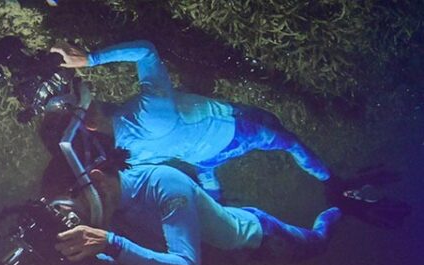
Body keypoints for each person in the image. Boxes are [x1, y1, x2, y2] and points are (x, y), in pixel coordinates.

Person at [48, 39, 410, 228]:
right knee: (285, 138)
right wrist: (90, 59)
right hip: (234, 129)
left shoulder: (126, 150)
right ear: (93, 120)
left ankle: (228, 230)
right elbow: (146, 49)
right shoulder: (148, 112)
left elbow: (125, 176)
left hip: (206, 158)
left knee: (218, 198)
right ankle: (335, 184)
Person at [52, 158, 341, 265]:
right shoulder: (114, 203)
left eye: (81, 207)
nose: (86, 218)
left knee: (318, 244)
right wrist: (90, 256)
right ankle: (210, 181)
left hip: (258, 237)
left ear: (98, 180)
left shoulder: (162, 183)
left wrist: (111, 244)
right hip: (217, 252)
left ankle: (339, 207)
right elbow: (135, 255)